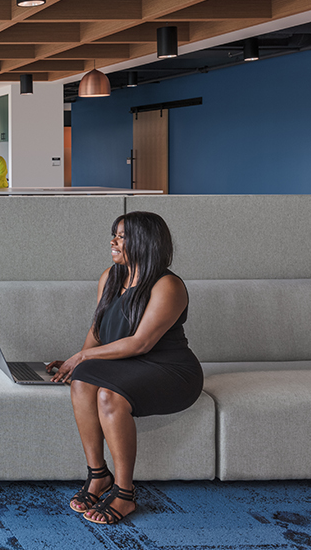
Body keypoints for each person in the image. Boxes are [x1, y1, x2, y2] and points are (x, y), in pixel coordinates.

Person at [47, 211, 202, 525]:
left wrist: (83, 358)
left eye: (121, 236)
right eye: (113, 234)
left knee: (109, 398)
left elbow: (141, 343)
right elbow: (97, 330)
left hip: (171, 371)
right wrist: (75, 361)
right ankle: (98, 475)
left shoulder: (167, 285)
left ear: (144, 242)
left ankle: (125, 493)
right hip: (128, 364)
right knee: (80, 380)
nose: (112, 241)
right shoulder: (110, 276)